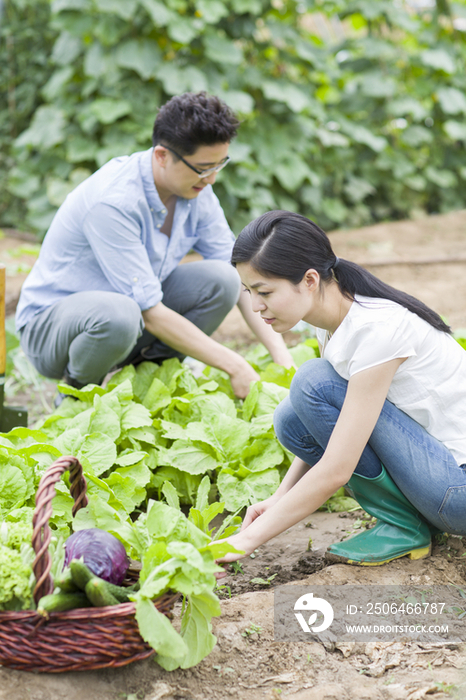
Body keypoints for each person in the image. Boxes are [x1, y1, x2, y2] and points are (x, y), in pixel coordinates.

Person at [217, 209, 466, 571]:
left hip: (457, 490)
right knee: (292, 419)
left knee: (313, 383)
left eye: (265, 291)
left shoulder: (376, 329)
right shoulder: (333, 319)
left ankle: (404, 526)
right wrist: (279, 497)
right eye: (249, 292)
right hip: (434, 473)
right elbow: (337, 426)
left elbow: (337, 467)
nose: (256, 307)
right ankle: (406, 522)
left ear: (310, 280)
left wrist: (246, 540)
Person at [15, 93, 292, 403]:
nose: (212, 179)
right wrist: (235, 365)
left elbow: (241, 278)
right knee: (120, 315)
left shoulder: (196, 191)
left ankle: (148, 379)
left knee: (223, 279)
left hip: (132, 315)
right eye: (203, 168)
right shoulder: (114, 201)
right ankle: (76, 395)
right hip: (52, 330)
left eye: (219, 165)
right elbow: (150, 311)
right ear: (162, 156)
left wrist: (283, 360)